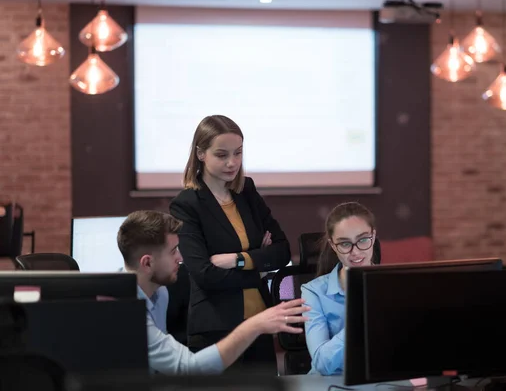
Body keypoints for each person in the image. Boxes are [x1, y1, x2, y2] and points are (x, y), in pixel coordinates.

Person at [117, 210, 308, 375]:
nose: (181, 257)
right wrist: (256, 325)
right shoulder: (126, 311)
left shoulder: (160, 293)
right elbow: (189, 368)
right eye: (173, 251)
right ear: (147, 263)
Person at [169, 115, 291, 370]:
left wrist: (238, 260)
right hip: (216, 327)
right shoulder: (187, 204)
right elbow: (204, 275)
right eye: (222, 155)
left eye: (238, 153)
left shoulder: (246, 190)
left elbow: (282, 250)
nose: (232, 162)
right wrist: (260, 266)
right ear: (201, 153)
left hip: (260, 321)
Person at [301, 202, 379, 376]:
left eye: (363, 240)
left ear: (373, 237)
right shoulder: (313, 292)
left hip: (381, 381)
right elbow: (321, 364)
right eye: (345, 244)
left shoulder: (393, 285)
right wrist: (360, 317)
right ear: (333, 245)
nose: (356, 252)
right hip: (332, 382)